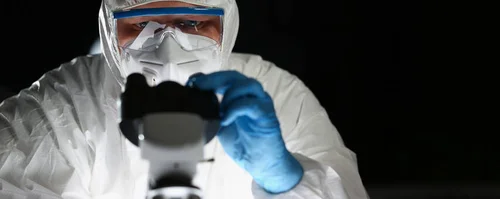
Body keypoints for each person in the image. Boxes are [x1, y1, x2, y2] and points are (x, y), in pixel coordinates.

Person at [0, 0, 368, 198]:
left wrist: (284, 179)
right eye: (141, 25)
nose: (168, 48)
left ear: (226, 24)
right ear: (111, 32)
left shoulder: (276, 97)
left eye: (193, 24)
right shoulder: (63, 105)